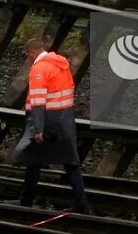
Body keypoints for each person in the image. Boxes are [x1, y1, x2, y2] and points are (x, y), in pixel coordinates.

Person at [10, 37, 91, 213]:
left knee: (34, 157)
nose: (28, 58)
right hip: (65, 118)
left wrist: (38, 129)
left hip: (48, 121)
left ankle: (26, 200)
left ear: (31, 52)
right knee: (68, 161)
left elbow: (38, 101)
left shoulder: (39, 69)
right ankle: (81, 203)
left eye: (27, 55)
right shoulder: (62, 65)